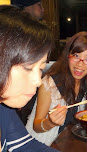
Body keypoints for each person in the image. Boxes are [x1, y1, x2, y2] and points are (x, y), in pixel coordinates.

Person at [26, 31, 87, 146]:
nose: (79, 64)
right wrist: (50, 122)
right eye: (76, 56)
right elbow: (36, 126)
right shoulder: (50, 83)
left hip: (65, 143)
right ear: (68, 56)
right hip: (40, 144)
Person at [0, 5, 59, 152]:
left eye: (40, 69)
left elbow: (26, 146)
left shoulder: (3, 108)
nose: (38, 81)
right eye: (28, 67)